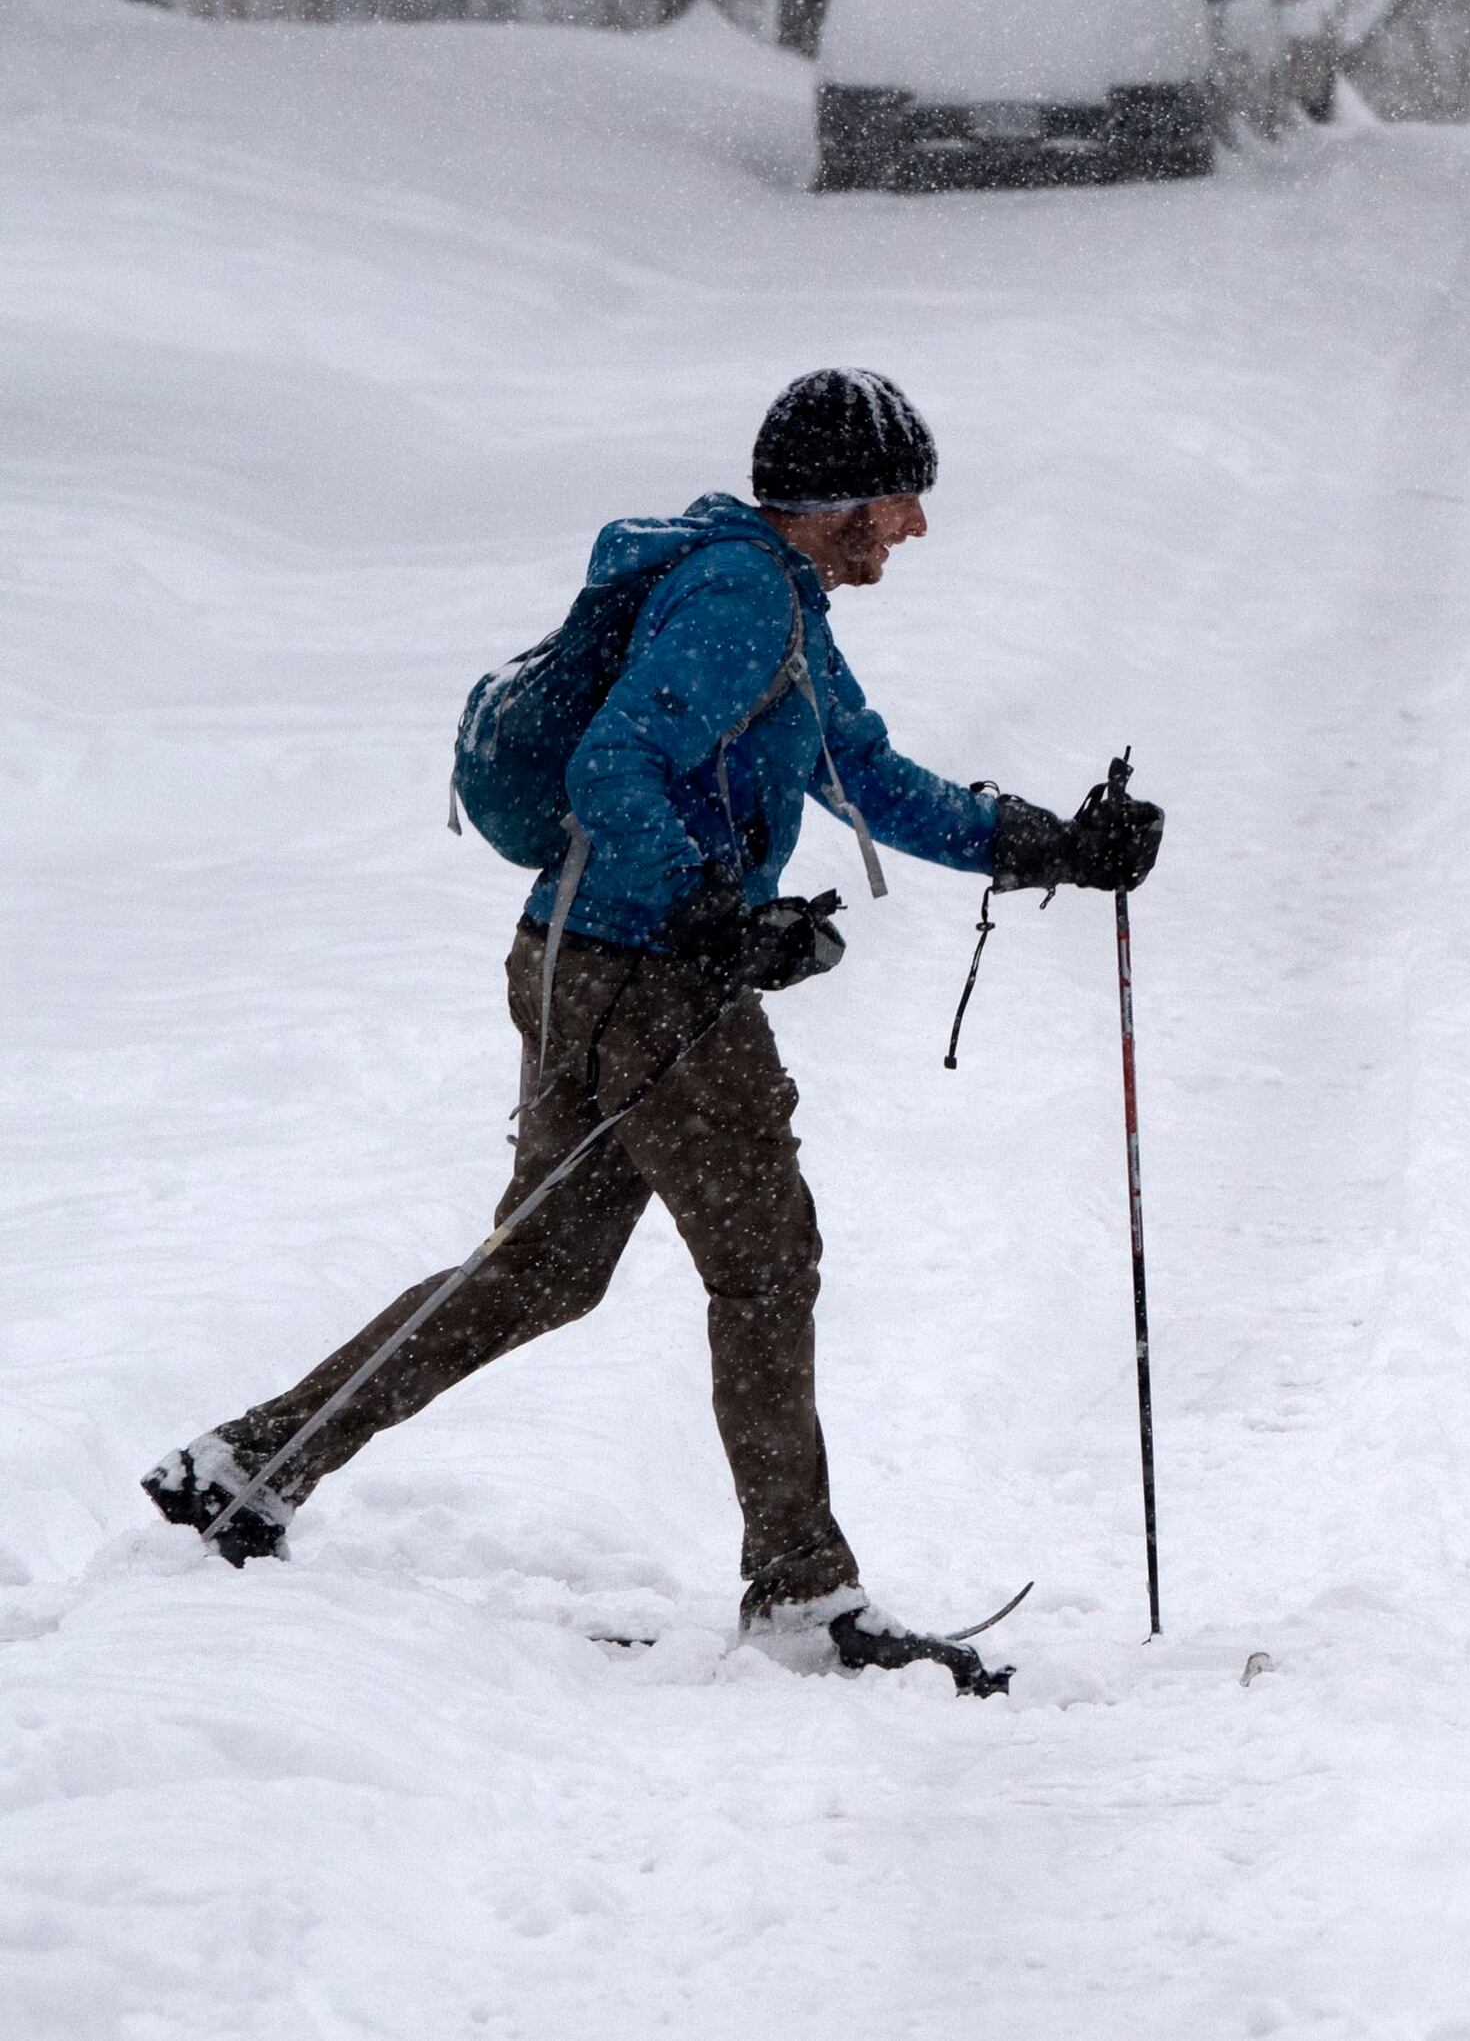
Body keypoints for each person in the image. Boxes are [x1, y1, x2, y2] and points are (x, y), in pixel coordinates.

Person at [141, 370, 1162, 1687]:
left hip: (582, 957)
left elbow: (866, 774)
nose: (912, 525)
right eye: (899, 498)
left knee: (544, 1264)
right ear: (838, 499)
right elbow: (611, 765)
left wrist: (1051, 845)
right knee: (766, 1259)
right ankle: (802, 1589)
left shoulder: (770, 594)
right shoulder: (739, 600)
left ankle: (250, 1463)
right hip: (649, 980)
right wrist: (707, 913)